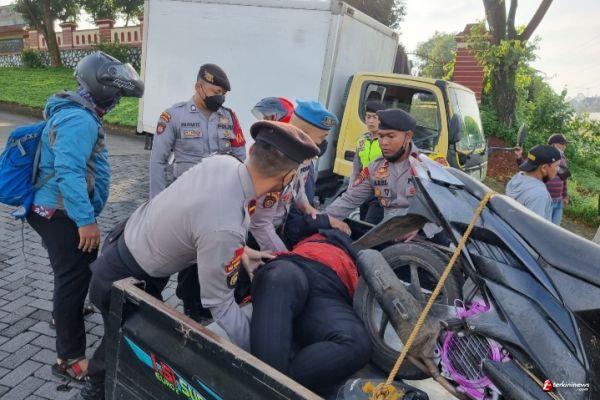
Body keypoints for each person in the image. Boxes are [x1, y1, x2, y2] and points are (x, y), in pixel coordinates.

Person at [77, 121, 319, 400]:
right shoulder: (225, 226)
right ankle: (92, 391)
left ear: (252, 149)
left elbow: (201, 221)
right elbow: (221, 305)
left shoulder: (223, 164)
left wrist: (243, 252)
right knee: (124, 346)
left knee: (121, 338)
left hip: (126, 249)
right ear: (288, 179)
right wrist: (265, 360)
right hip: (126, 278)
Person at [26, 51, 143, 382]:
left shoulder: (80, 111)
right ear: (101, 87)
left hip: (57, 210)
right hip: (61, 213)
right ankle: (69, 357)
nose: (117, 98)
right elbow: (69, 171)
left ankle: (65, 312)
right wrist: (85, 221)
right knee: (73, 276)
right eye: (116, 92)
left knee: (72, 270)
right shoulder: (80, 119)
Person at [149, 63, 246, 322]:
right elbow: (158, 161)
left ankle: (204, 303)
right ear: (198, 87)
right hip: (185, 199)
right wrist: (155, 202)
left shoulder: (229, 118)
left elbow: (240, 156)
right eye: (215, 92)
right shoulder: (174, 116)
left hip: (219, 198)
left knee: (211, 251)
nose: (220, 98)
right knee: (181, 250)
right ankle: (178, 301)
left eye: (223, 94)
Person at [250, 220, 371, 397]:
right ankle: (270, 386)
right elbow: (292, 224)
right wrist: (327, 220)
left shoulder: (363, 253)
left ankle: (274, 387)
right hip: (294, 266)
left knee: (357, 344)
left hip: (332, 291)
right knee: (280, 278)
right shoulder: (318, 230)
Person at [250, 100, 350, 252]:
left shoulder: (302, 157)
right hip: (255, 236)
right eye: (322, 137)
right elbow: (260, 225)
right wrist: (284, 257)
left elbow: (298, 190)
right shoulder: (276, 161)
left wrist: (308, 209)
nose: (323, 143)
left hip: (278, 227)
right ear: (304, 135)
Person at [326, 108, 420, 241]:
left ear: (408, 136)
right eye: (381, 136)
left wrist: (420, 225)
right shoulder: (375, 168)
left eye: (391, 136)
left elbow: (445, 210)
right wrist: (323, 219)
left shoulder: (426, 167)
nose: (384, 142)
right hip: (391, 239)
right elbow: (349, 199)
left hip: (425, 242)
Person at [515, 133, 570, 225]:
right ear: (553, 144)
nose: (564, 146)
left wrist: (565, 195)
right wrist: (519, 158)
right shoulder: (544, 156)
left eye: (565, 144)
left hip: (558, 201)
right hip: (545, 200)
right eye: (562, 144)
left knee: (554, 230)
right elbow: (529, 168)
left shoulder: (563, 159)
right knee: (540, 226)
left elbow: (564, 178)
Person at [349, 100, 386, 224]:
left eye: (375, 117)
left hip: (380, 192)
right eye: (368, 117)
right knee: (361, 224)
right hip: (363, 190)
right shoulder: (361, 141)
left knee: (370, 226)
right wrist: (351, 189)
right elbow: (356, 168)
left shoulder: (386, 141)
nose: (370, 121)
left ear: (381, 120)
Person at [506, 144, 561, 221]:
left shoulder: (517, 178)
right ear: (544, 168)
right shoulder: (540, 195)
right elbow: (534, 226)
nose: (558, 169)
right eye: (556, 165)